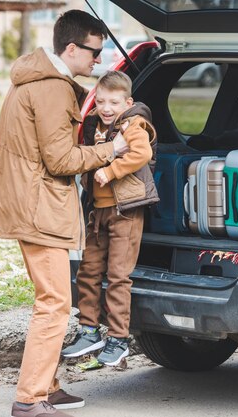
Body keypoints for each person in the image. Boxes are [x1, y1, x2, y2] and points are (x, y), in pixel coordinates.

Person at [0, 10, 129, 417]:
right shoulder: (54, 89)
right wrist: (113, 149)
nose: (99, 59)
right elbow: (60, 159)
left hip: (26, 199)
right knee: (55, 302)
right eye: (94, 51)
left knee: (50, 298)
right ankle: (30, 397)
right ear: (71, 48)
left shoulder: (32, 79)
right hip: (40, 206)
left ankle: (48, 385)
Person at [61, 70, 158, 366]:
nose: (105, 108)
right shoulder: (96, 126)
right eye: (100, 101)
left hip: (125, 212)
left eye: (114, 103)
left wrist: (111, 171)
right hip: (98, 211)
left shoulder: (133, 125)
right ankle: (89, 329)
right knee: (89, 271)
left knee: (117, 275)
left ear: (127, 102)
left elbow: (141, 154)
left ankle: (118, 338)